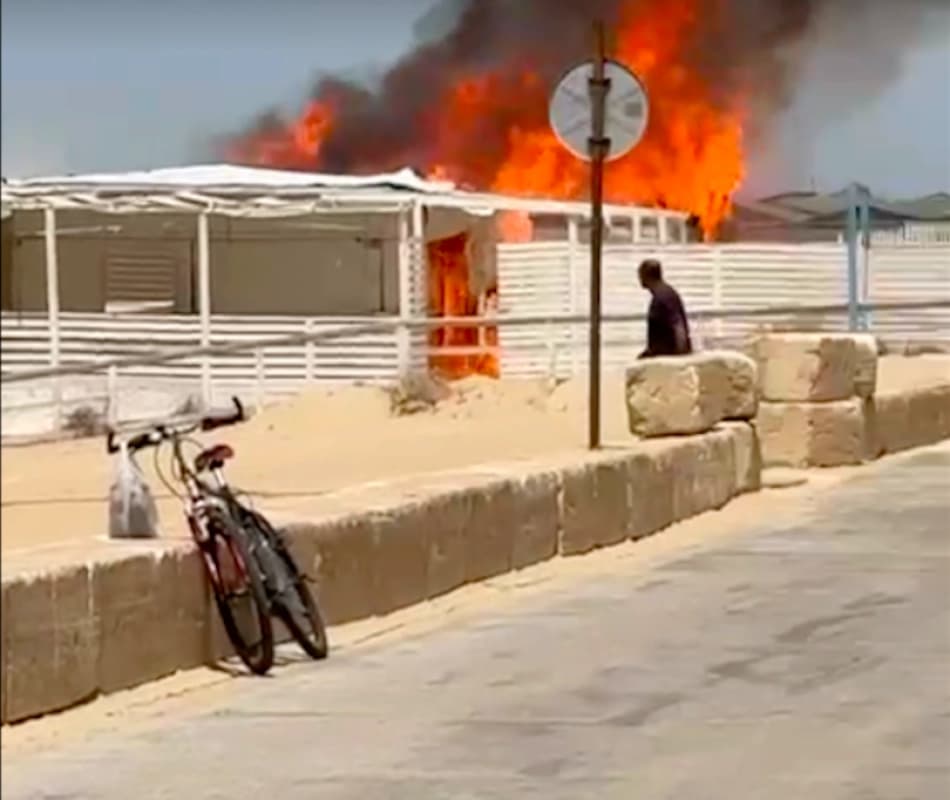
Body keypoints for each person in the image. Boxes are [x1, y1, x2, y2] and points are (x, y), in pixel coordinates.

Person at [637, 258, 692, 358]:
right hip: (662, 356)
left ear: (646, 275)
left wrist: (681, 358)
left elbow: (678, 326)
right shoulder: (663, 294)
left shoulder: (663, 297)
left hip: (668, 358)